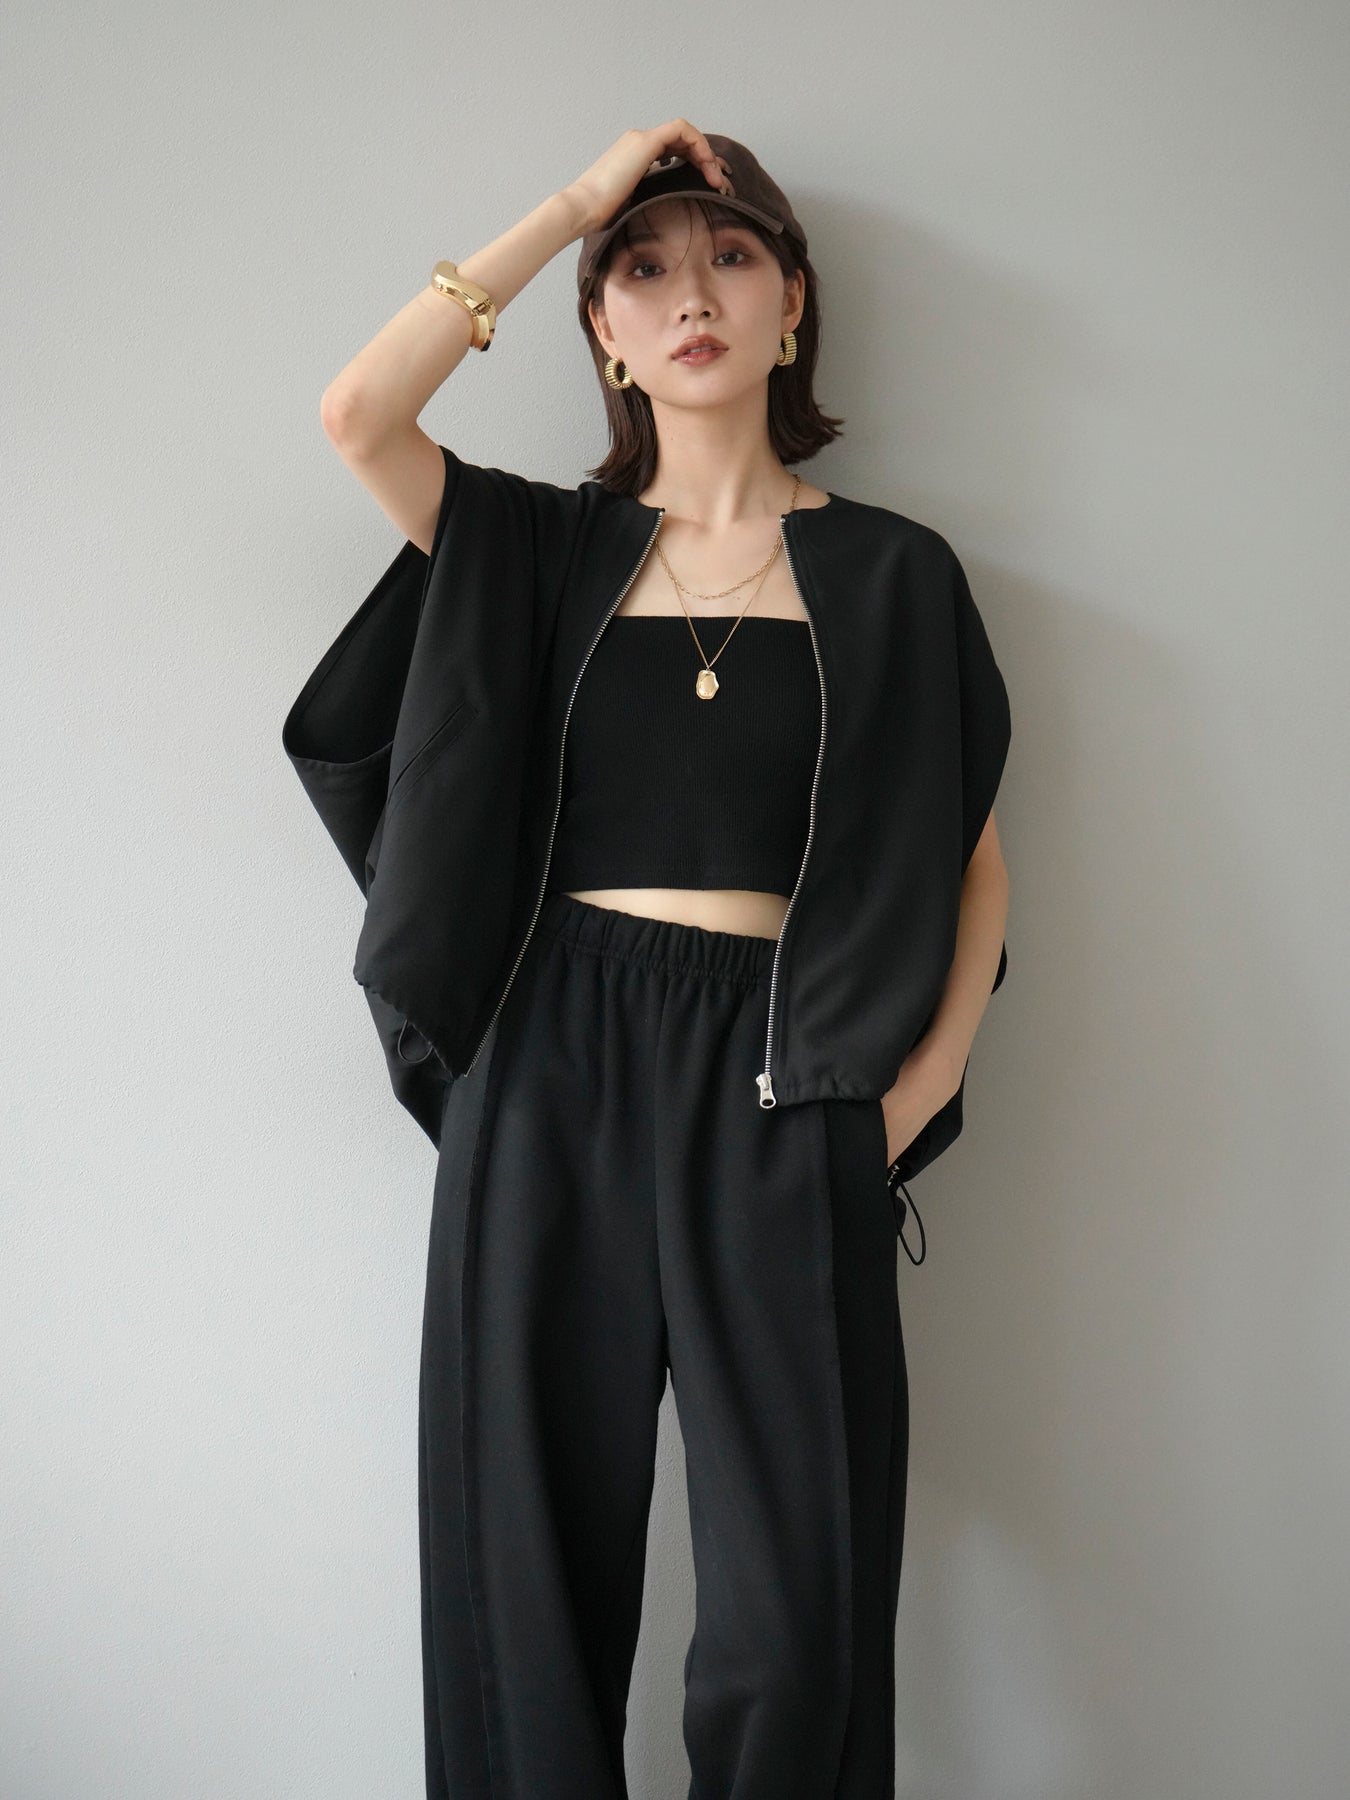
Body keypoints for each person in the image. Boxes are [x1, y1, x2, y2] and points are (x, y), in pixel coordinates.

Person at [291, 120, 1012, 1799]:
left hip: (791, 1074)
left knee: (799, 1612)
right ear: (603, 331)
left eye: (730, 258)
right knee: (520, 1584)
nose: (691, 296)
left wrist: (914, 1093)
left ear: (792, 304)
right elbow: (359, 415)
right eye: (645, 269)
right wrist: (570, 205)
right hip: (548, 1064)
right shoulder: (532, 550)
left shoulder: (894, 573)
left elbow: (969, 858)